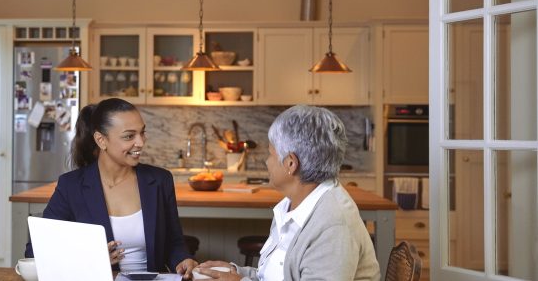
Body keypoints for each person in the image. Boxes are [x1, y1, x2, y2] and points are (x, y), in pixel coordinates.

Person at [196, 105, 380, 281]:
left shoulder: (334, 226)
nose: (267, 162)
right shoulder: (293, 205)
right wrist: (235, 272)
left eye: (271, 154)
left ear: (291, 163)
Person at [24, 98, 198, 278]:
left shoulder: (160, 180)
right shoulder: (72, 186)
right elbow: (35, 252)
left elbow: (174, 242)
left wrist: (184, 260)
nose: (140, 142)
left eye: (142, 133)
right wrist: (90, 260)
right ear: (101, 140)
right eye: (129, 136)